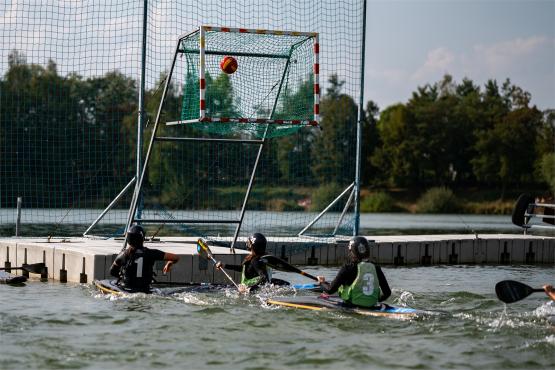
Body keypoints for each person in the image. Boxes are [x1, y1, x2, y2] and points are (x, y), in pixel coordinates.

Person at [317, 236, 391, 308]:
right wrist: (376, 301)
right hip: (372, 304)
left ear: (352, 250)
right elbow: (387, 293)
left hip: (352, 304)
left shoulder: (348, 267)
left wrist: (322, 282)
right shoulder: (376, 267)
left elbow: (330, 290)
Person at [110, 225, 179, 293]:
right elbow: (176, 257)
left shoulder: (123, 255)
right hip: (145, 290)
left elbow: (112, 271)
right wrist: (169, 264)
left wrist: (122, 277)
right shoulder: (152, 253)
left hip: (127, 290)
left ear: (128, 239)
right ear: (142, 238)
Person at [216, 232, 287, 292]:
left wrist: (249, 289)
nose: (247, 243)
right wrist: (224, 265)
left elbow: (264, 277)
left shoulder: (255, 261)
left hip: (251, 291)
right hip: (259, 289)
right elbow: (243, 269)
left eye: (249, 242)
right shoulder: (264, 258)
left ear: (253, 246)